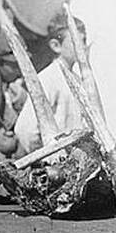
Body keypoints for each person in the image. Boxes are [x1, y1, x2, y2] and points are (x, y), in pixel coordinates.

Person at [12, 9, 90, 153]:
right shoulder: (48, 79)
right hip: (56, 165)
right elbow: (25, 129)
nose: (83, 47)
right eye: (75, 41)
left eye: (84, 41)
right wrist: (47, 157)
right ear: (56, 46)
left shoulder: (78, 80)